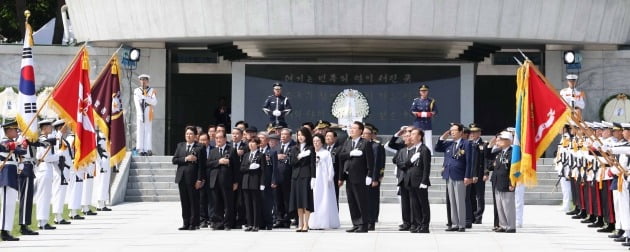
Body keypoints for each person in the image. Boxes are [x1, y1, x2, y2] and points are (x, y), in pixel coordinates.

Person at [435, 123, 473, 232]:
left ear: (461, 132)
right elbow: (437, 148)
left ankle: (461, 224)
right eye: (451, 130)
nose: (452, 132)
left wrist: (467, 176)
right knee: (452, 200)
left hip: (460, 175)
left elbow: (469, 161)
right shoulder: (449, 144)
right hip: (449, 174)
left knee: (460, 200)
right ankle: (454, 223)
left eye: (454, 130)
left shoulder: (466, 144)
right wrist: (443, 137)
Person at [338, 121, 374, 233]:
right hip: (349, 177)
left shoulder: (365, 143)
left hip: (360, 177)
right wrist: (350, 154)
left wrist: (369, 175)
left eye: (354, 128)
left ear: (360, 131)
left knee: (361, 201)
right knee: (352, 201)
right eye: (351, 128)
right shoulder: (348, 142)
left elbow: (370, 161)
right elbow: (341, 156)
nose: (351, 130)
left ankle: (363, 224)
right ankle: (356, 223)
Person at [172, 126, 207, 230]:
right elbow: (174, 160)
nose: (188, 136)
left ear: (195, 136)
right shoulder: (180, 146)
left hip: (193, 179)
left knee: (194, 201)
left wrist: (199, 179)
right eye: (187, 134)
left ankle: (194, 223)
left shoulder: (200, 147)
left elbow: (202, 165)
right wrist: (186, 159)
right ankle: (185, 222)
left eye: (191, 134)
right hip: (182, 178)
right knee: (184, 202)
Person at [0, 120, 27, 241]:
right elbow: (13, 148)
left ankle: (7, 230)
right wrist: (18, 145)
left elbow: (22, 151)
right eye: (15, 130)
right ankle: (4, 231)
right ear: (9, 131)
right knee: (7, 203)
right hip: (6, 174)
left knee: (10, 203)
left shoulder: (11, 142)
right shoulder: (4, 141)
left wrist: (20, 145)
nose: (17, 132)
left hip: (12, 173)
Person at [207, 131, 239, 231]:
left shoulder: (232, 150)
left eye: (220, 138)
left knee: (228, 203)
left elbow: (236, 167)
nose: (218, 140)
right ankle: (218, 223)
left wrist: (236, 181)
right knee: (216, 203)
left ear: (225, 139)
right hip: (215, 181)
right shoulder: (213, 151)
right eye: (216, 138)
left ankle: (228, 223)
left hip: (227, 181)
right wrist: (218, 162)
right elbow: (208, 164)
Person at [308, 134, 341, 230]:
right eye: (314, 141)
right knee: (314, 199)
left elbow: (330, 167)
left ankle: (324, 222)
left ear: (322, 142)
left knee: (323, 199)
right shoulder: (310, 152)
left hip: (323, 180)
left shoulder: (326, 153)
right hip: (313, 179)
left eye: (318, 141)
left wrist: (329, 178)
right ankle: (313, 222)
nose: (316, 143)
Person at [404, 128, 432, 233]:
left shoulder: (424, 150)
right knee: (415, 205)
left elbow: (426, 167)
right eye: (410, 134)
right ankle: (418, 224)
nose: (410, 136)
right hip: (411, 181)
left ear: (420, 137)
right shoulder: (413, 149)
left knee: (423, 204)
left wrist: (424, 181)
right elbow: (406, 164)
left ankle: (425, 225)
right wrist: (411, 159)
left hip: (420, 182)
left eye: (413, 134)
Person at [289, 127, 316, 232]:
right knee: (298, 201)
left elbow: (313, 164)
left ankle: (306, 224)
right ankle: (300, 223)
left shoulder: (311, 148)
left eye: (302, 135)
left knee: (306, 200)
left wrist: (313, 177)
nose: (300, 137)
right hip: (296, 177)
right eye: (298, 135)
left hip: (306, 176)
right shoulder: (294, 148)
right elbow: (292, 163)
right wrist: (299, 156)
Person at [15, 120, 39, 235]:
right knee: (25, 198)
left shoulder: (24, 137)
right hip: (25, 167)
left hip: (27, 167)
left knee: (27, 197)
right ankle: (24, 225)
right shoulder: (21, 138)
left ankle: (25, 224)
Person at [490, 131, 516, 233]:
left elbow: (516, 170)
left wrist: (512, 182)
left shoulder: (513, 153)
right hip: (497, 182)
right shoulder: (500, 152)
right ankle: (503, 225)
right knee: (500, 206)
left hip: (506, 183)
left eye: (501, 139)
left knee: (508, 206)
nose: (499, 141)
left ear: (508, 141)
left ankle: (511, 225)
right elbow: (490, 162)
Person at [34, 119, 57, 230]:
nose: (51, 128)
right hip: (44, 167)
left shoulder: (46, 139)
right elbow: (46, 157)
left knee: (46, 195)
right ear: (44, 128)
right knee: (43, 195)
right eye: (49, 126)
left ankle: (43, 220)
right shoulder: (43, 140)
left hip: (46, 167)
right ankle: (42, 222)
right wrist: (59, 156)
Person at [240, 138, 267, 232]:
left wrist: (262, 183)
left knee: (256, 204)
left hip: (255, 182)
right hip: (246, 182)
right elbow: (242, 168)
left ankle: (256, 224)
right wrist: (249, 167)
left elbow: (263, 170)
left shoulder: (261, 155)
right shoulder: (246, 155)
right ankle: (250, 224)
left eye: (253, 143)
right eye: (250, 142)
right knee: (248, 205)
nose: (251, 144)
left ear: (258, 144)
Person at [390, 126, 413, 231]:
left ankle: (414, 222)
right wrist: (398, 133)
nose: (406, 135)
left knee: (413, 201)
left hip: (413, 178)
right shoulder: (402, 147)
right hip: (402, 176)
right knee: (404, 202)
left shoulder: (420, 148)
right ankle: (406, 222)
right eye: (405, 134)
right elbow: (391, 146)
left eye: (409, 133)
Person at [271, 128, 295, 228]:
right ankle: (279, 219)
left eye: (285, 135)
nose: (283, 136)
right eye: (282, 135)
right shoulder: (277, 147)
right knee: (277, 199)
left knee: (287, 200)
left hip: (288, 178)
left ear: (290, 136)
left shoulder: (294, 147)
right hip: (277, 177)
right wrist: (277, 157)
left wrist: (286, 157)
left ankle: (287, 219)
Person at [363, 124, 385, 230]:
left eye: (366, 133)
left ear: (371, 135)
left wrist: (375, 178)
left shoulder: (376, 146)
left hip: (372, 178)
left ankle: (371, 221)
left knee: (372, 200)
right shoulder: (360, 145)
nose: (363, 135)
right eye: (362, 133)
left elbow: (377, 163)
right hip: (361, 178)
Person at [134, 74, 158, 156]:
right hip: (140, 111)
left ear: (148, 81)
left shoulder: (151, 90)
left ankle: (148, 149)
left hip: (148, 111)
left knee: (148, 130)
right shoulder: (137, 90)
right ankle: (140, 149)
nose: (143, 82)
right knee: (140, 130)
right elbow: (136, 102)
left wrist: (146, 98)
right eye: (141, 80)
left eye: (145, 80)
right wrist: (139, 113)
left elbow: (154, 102)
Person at [410, 84, 437, 153]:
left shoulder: (431, 101)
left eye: (425, 91)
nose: (423, 92)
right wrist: (419, 114)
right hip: (418, 123)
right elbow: (412, 111)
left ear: (427, 91)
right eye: (422, 91)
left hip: (427, 123)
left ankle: (429, 154)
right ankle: (415, 152)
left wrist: (428, 114)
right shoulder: (416, 101)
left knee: (428, 140)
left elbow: (435, 111)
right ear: (420, 92)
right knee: (416, 138)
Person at [468, 123, 487, 224]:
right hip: (470, 174)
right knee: (471, 195)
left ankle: (478, 216)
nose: (472, 134)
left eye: (475, 132)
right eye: (471, 132)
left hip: (479, 174)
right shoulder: (469, 144)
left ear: (479, 133)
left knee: (479, 196)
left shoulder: (483, 145)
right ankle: (471, 215)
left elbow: (485, 160)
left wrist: (486, 172)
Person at [257, 132, 275, 230]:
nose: (260, 140)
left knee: (267, 203)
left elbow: (275, 168)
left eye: (262, 138)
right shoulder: (255, 151)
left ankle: (269, 223)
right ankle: (260, 222)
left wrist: (274, 180)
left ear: (267, 140)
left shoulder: (271, 152)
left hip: (267, 181)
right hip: (256, 181)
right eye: (258, 138)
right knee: (258, 202)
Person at [198, 133, 214, 228]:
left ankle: (212, 219)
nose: (203, 142)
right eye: (201, 140)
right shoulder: (197, 150)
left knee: (212, 199)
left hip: (212, 177)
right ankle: (203, 219)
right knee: (201, 199)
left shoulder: (214, 149)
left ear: (209, 140)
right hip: (201, 178)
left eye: (205, 140)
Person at [324, 130, 341, 206]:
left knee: (334, 197)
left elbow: (341, 165)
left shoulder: (339, 148)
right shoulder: (323, 148)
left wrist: (340, 178)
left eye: (330, 136)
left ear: (335, 138)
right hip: (323, 177)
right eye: (326, 136)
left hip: (334, 177)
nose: (327, 138)